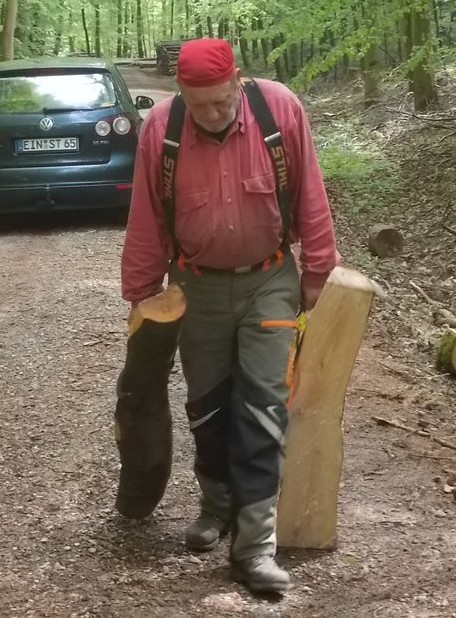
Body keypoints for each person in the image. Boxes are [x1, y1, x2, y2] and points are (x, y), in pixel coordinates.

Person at [119, 37, 339, 595]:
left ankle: (254, 545)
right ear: (181, 94)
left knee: (264, 405)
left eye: (221, 101)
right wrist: (142, 294)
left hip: (270, 280)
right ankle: (216, 505)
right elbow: (146, 216)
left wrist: (319, 272)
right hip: (196, 287)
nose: (213, 113)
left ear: (238, 81)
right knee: (208, 404)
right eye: (200, 105)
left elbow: (311, 192)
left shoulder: (279, 109)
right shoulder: (161, 129)